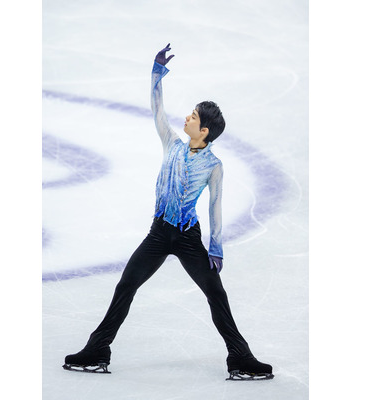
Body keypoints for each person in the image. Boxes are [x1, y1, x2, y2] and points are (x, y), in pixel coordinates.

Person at [63, 44, 273, 381]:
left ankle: (241, 357)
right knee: (126, 285)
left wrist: (216, 248)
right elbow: (157, 109)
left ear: (204, 131)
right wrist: (157, 74)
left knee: (215, 294)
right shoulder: (171, 143)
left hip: (188, 238)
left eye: (194, 117)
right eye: (190, 113)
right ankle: (97, 348)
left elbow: (215, 207)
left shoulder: (214, 166)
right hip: (159, 234)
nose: (187, 117)